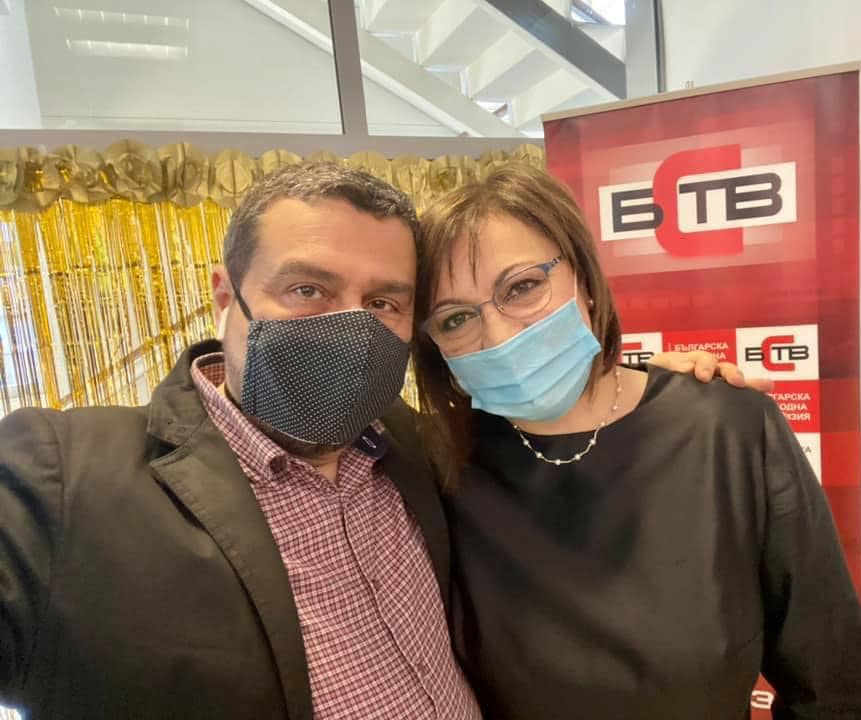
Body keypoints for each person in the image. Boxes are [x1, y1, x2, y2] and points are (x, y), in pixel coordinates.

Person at [0, 162, 740, 720]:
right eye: (308, 290)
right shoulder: (63, 480)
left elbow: (560, 424)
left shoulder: (420, 446)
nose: (350, 326)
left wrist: (655, 389)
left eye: (384, 301)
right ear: (228, 296)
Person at [412, 162, 861, 720]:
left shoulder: (727, 429)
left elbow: (832, 684)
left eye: (523, 287)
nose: (498, 336)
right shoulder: (437, 467)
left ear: (585, 281)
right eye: (455, 319)